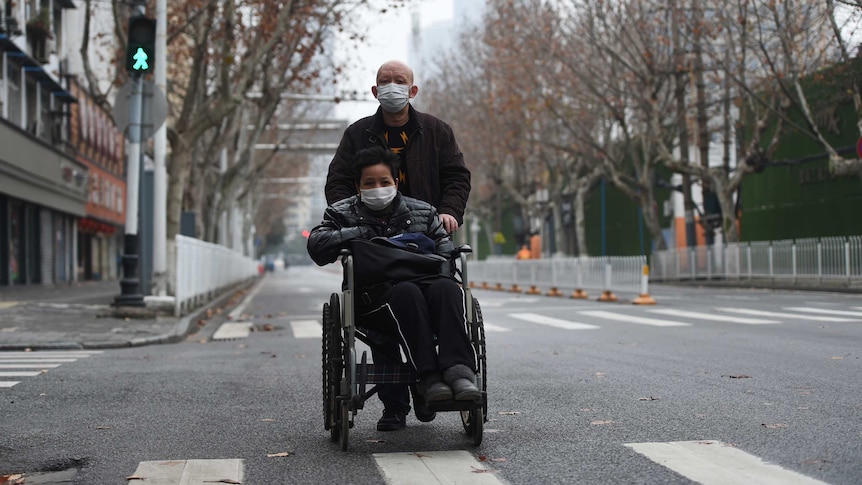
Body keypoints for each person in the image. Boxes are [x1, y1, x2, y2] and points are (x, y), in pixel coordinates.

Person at [324, 60, 472, 431]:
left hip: (424, 236)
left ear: (413, 89)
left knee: (445, 290)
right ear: (375, 91)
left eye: (400, 81)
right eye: (385, 82)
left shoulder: (436, 131)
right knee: (395, 301)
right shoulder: (358, 135)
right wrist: (353, 217)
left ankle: (454, 374)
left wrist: (448, 213)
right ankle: (396, 405)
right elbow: (338, 182)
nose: (392, 87)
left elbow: (457, 176)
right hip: (375, 244)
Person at [309, 146, 479, 431]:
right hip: (371, 301)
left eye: (384, 182)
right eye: (369, 183)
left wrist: (443, 274)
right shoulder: (342, 213)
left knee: (448, 289)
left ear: (396, 182)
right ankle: (425, 381)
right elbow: (317, 247)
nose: (378, 188)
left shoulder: (423, 211)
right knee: (405, 294)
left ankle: (459, 371)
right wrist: (361, 234)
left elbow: (445, 252)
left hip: (425, 291)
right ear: (358, 186)